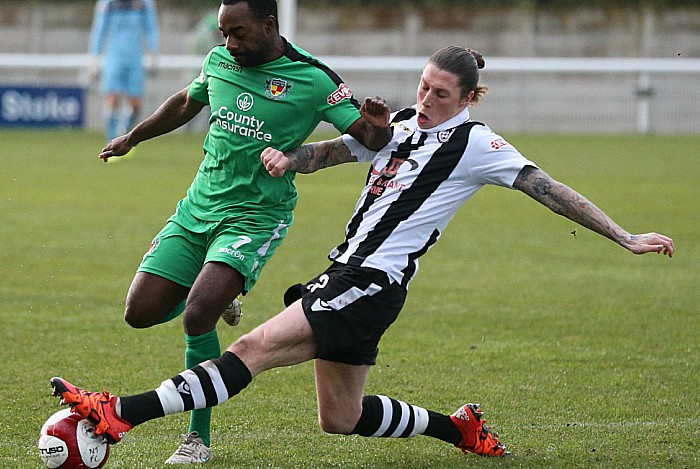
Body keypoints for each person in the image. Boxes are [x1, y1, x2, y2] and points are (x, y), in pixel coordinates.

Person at [51, 46, 675, 463]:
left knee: (251, 351)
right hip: (354, 278)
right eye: (424, 86)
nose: (427, 98)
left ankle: (120, 414)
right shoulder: (399, 124)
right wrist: (290, 158)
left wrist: (622, 235)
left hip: (371, 279)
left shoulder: (478, 145)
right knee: (340, 419)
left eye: (441, 93)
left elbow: (549, 190)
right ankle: (455, 428)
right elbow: (334, 152)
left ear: (467, 99)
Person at [91, 0, 391, 464]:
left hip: (255, 217)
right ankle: (216, 289)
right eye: (224, 33)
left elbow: (368, 140)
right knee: (140, 312)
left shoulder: (313, 79)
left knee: (197, 315)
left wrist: (377, 126)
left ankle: (197, 439)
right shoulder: (219, 61)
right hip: (197, 208)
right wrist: (134, 136)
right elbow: (186, 103)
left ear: (270, 25)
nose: (229, 44)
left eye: (238, 33)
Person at [88, 0, 160, 142]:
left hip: (135, 57)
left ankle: (125, 133)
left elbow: (151, 28)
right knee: (112, 97)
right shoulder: (108, 3)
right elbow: (99, 29)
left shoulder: (145, 4)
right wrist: (94, 56)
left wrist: (153, 52)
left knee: (136, 103)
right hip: (114, 57)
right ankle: (111, 138)